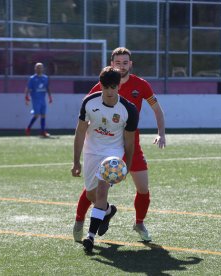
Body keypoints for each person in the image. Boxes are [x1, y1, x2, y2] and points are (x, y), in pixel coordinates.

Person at [73, 47, 166, 243]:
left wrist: (161, 134)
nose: (122, 66)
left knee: (143, 188)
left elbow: (157, 109)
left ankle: (139, 223)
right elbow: (88, 109)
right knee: (96, 188)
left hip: (132, 144)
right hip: (107, 145)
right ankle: (80, 221)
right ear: (112, 63)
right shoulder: (104, 83)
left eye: (125, 63)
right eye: (118, 63)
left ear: (130, 64)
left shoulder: (141, 85)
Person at [71, 66, 139, 252]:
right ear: (100, 86)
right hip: (91, 151)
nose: (110, 91)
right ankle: (108, 211)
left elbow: (129, 140)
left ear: (119, 87)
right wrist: (76, 161)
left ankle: (90, 237)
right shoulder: (89, 102)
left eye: (113, 87)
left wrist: (129, 164)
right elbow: (80, 132)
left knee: (101, 191)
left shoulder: (129, 110)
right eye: (106, 87)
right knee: (91, 194)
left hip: (113, 153)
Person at [24, 62, 53, 137]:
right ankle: (28, 128)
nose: (39, 69)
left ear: (43, 69)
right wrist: (26, 97)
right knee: (36, 115)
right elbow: (28, 88)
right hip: (35, 99)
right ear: (35, 69)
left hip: (42, 99)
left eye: (40, 67)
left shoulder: (45, 78)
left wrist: (50, 97)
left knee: (43, 115)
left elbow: (47, 88)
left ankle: (42, 131)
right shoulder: (32, 78)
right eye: (37, 67)